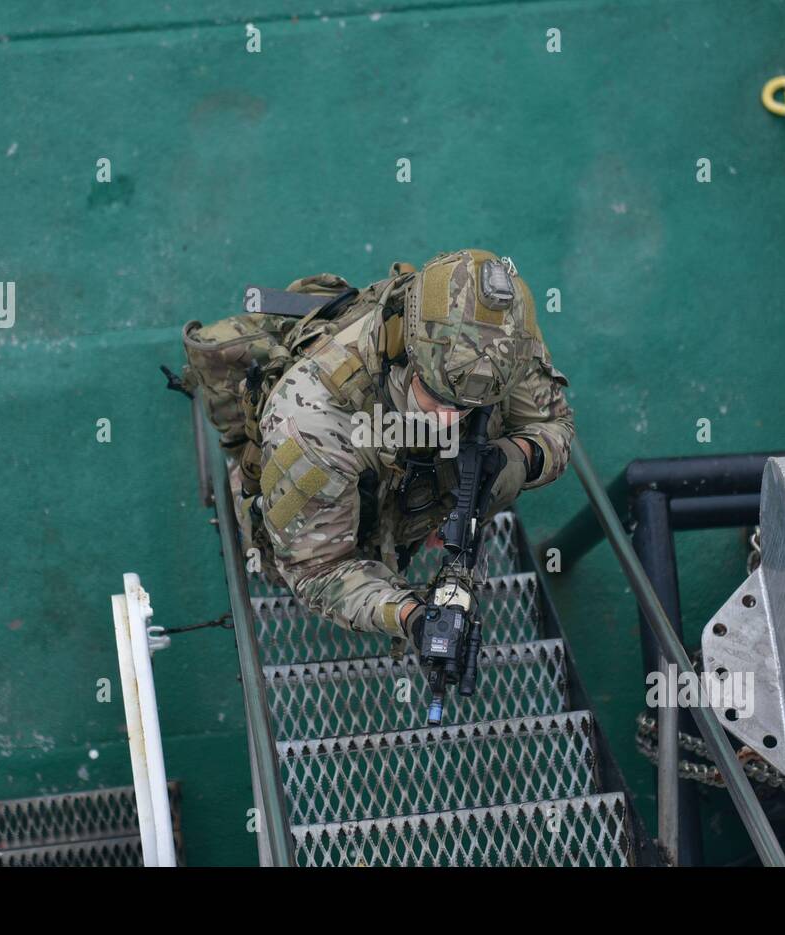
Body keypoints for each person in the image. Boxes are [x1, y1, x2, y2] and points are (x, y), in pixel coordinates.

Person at [246, 249, 575, 657]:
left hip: (411, 497)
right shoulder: (311, 418)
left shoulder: (502, 344)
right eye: (436, 399)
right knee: (273, 563)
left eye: (466, 408)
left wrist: (520, 457)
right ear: (407, 354)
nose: (450, 420)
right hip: (341, 513)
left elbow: (554, 425)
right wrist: (409, 616)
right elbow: (317, 570)